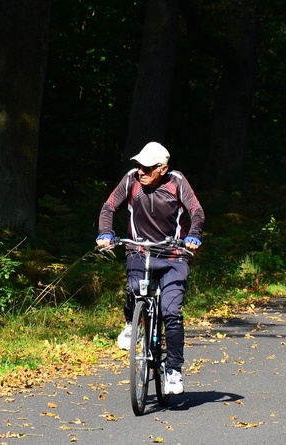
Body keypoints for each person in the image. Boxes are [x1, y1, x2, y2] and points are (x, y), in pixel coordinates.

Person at [96, 141, 204, 395]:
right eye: (138, 166)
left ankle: (174, 370)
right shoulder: (131, 180)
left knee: (171, 311)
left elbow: (196, 210)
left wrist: (194, 234)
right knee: (134, 288)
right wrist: (105, 233)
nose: (141, 171)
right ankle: (130, 324)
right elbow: (109, 206)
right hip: (139, 250)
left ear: (163, 169)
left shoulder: (177, 182)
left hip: (173, 255)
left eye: (147, 168)